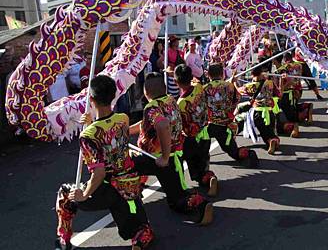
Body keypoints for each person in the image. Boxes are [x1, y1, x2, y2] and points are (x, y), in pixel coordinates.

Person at [55, 75, 153, 250]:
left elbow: (99, 173)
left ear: (91, 99)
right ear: (114, 96)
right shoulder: (123, 118)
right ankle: (140, 235)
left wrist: (83, 194)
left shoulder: (88, 135)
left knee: (65, 194)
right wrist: (92, 123)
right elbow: (110, 135)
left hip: (109, 188)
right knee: (137, 226)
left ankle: (64, 239)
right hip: (130, 182)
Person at [129, 73, 213, 225]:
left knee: (128, 165)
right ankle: (139, 187)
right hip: (172, 154)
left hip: (158, 159)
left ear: (146, 92)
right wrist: (124, 132)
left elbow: (162, 125)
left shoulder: (152, 108)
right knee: (174, 189)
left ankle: (199, 204)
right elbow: (144, 124)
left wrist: (165, 157)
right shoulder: (170, 100)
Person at [203, 63, 259, 167]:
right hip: (225, 125)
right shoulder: (229, 86)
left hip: (209, 125)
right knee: (233, 152)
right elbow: (236, 100)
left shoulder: (204, 88)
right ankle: (246, 154)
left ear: (209, 75)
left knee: (201, 143)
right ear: (222, 74)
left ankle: (203, 161)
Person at [174, 65, 218, 196]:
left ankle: (182, 187)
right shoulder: (198, 87)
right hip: (205, 132)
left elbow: (180, 124)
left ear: (176, 82)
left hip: (192, 139)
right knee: (203, 161)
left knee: (190, 165)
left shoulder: (181, 103)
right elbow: (194, 81)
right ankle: (209, 178)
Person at [234, 64, 282, 155]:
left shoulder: (251, 86)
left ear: (252, 73)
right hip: (269, 112)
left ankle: (233, 134)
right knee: (269, 133)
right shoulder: (270, 83)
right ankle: (272, 140)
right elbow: (279, 94)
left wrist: (234, 82)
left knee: (241, 120)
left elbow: (238, 92)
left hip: (256, 113)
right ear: (261, 72)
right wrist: (282, 80)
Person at [272, 52, 304, 137]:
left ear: (275, 60)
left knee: (290, 113)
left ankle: (295, 129)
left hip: (286, 95)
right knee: (277, 114)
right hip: (278, 96)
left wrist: (283, 88)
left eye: (273, 59)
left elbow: (292, 81)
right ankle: (280, 129)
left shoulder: (284, 70)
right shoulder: (276, 71)